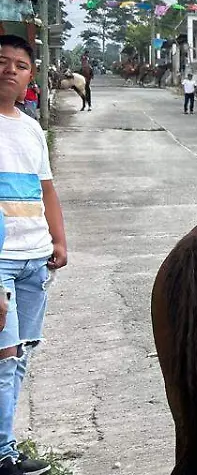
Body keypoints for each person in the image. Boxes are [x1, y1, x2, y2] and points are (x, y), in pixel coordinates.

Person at [0, 35, 66, 475]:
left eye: (20, 65)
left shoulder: (30, 127)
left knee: (20, 358)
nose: (10, 70)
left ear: (31, 75)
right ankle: (3, 453)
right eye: (2, 61)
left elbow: (46, 188)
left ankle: (5, 442)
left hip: (34, 258)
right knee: (4, 360)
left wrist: (59, 240)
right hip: (2, 260)